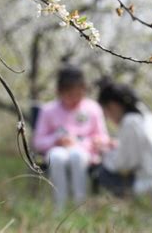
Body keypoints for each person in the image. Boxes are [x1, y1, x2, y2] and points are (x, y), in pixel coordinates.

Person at [33, 65, 109, 209]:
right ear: (59, 92)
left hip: (83, 152)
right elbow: (38, 141)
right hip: (57, 150)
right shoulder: (48, 110)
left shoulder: (93, 109)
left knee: (77, 156)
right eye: (69, 95)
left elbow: (102, 138)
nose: (74, 99)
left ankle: (80, 205)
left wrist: (89, 142)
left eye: (78, 94)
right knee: (57, 157)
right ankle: (59, 205)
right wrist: (56, 139)